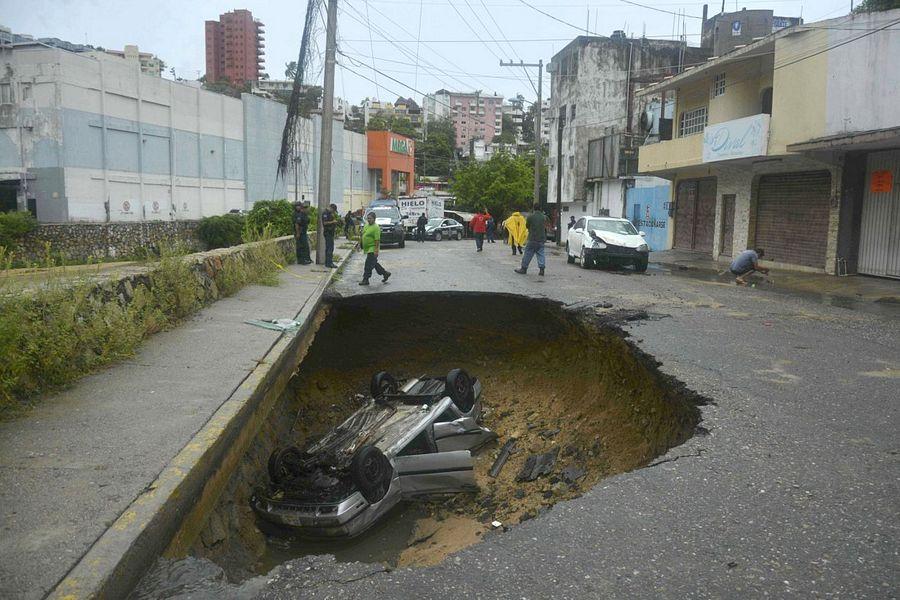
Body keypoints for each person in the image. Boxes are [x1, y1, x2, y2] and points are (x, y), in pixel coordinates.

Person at [515, 204, 547, 276]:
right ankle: (542, 269)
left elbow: (527, 226)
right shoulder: (544, 217)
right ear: (540, 209)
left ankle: (524, 268)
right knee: (541, 254)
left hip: (532, 238)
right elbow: (545, 226)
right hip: (541, 239)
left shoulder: (530, 217)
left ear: (534, 209)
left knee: (528, 254)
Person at [359, 211, 391, 286]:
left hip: (372, 248)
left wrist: (376, 250)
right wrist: (359, 244)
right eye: (368, 218)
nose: (368, 220)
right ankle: (385, 273)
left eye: (370, 218)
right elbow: (363, 234)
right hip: (367, 248)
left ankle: (365, 279)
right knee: (374, 264)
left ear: (374, 219)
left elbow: (377, 240)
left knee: (368, 264)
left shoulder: (376, 227)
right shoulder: (366, 225)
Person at [321, 203, 339, 268]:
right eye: (333, 210)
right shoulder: (325, 213)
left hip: (330, 233)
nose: (334, 212)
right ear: (331, 208)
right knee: (329, 248)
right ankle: (329, 263)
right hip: (328, 233)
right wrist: (333, 222)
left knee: (330, 248)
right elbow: (325, 223)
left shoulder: (330, 213)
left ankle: (328, 262)